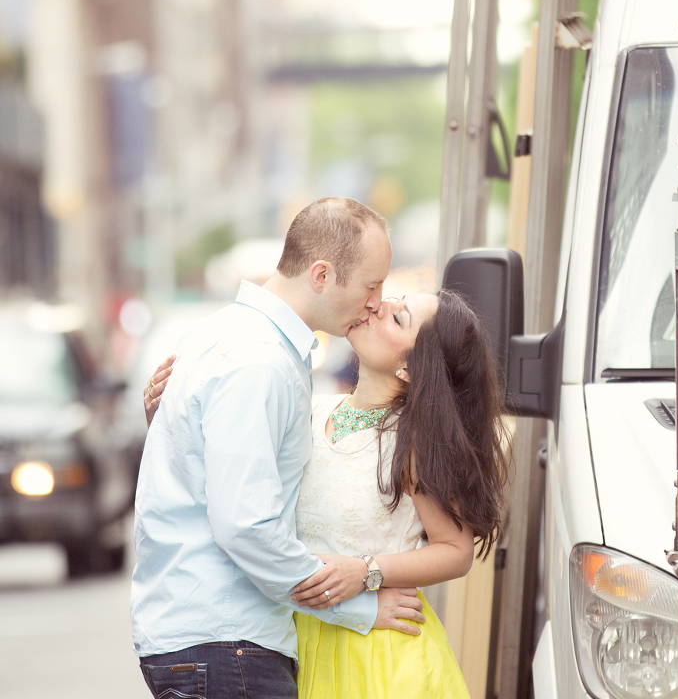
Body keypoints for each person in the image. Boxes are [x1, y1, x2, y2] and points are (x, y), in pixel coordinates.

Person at [145, 284, 509, 699]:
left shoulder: (414, 441)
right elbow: (237, 485)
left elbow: (455, 550)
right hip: (293, 636)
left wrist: (368, 571)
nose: (378, 305)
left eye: (398, 316)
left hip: (378, 652)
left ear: (410, 367)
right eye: (394, 299)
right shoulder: (310, 407)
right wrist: (173, 418)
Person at [132, 197, 426, 699]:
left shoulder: (228, 337)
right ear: (321, 274)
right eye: (370, 286)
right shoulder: (259, 362)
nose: (376, 302)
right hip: (225, 643)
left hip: (210, 642)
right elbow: (246, 526)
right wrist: (358, 607)